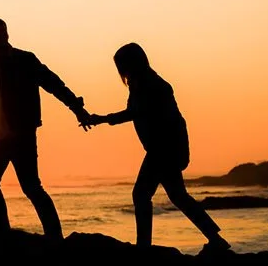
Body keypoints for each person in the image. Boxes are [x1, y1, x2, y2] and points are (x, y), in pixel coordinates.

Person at [85, 43, 232, 255]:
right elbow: (134, 112)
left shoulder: (150, 84)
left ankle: (144, 246)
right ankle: (215, 238)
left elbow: (136, 113)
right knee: (178, 196)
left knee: (141, 194)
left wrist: (103, 119)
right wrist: (102, 120)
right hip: (162, 148)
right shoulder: (140, 83)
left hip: (163, 149)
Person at [0, 17, 90, 242]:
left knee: (32, 187)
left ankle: (55, 238)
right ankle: (2, 234)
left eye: (4, 34)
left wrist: (76, 108)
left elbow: (54, 84)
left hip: (21, 136)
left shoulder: (25, 60)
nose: (2, 39)